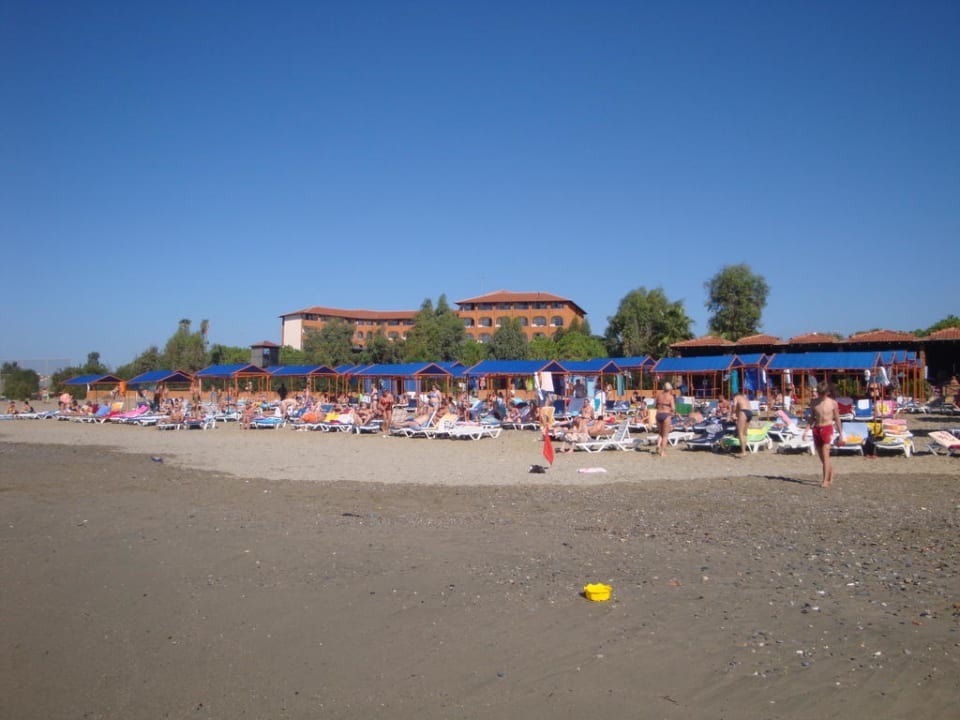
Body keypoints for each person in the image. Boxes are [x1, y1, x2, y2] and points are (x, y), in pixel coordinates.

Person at [810, 380, 843, 488]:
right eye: (820, 393)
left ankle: (825, 480)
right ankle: (831, 473)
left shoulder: (833, 403)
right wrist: (807, 428)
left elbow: (837, 419)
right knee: (823, 458)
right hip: (817, 429)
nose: (821, 395)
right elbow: (812, 417)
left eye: (823, 393)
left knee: (825, 454)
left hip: (827, 428)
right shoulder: (814, 402)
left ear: (827, 393)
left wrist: (841, 434)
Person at [654, 382, 675, 457]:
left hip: (658, 415)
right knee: (665, 435)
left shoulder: (659, 396)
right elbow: (673, 408)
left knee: (660, 433)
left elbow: (655, 406)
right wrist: (672, 412)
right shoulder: (670, 397)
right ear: (670, 389)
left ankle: (658, 445)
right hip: (666, 415)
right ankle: (663, 452)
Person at [730, 389, 752, 458]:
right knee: (744, 433)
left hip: (743, 412)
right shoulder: (744, 398)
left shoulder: (736, 397)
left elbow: (734, 406)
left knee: (740, 433)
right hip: (750, 413)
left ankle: (743, 452)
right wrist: (737, 415)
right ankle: (744, 450)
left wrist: (733, 414)